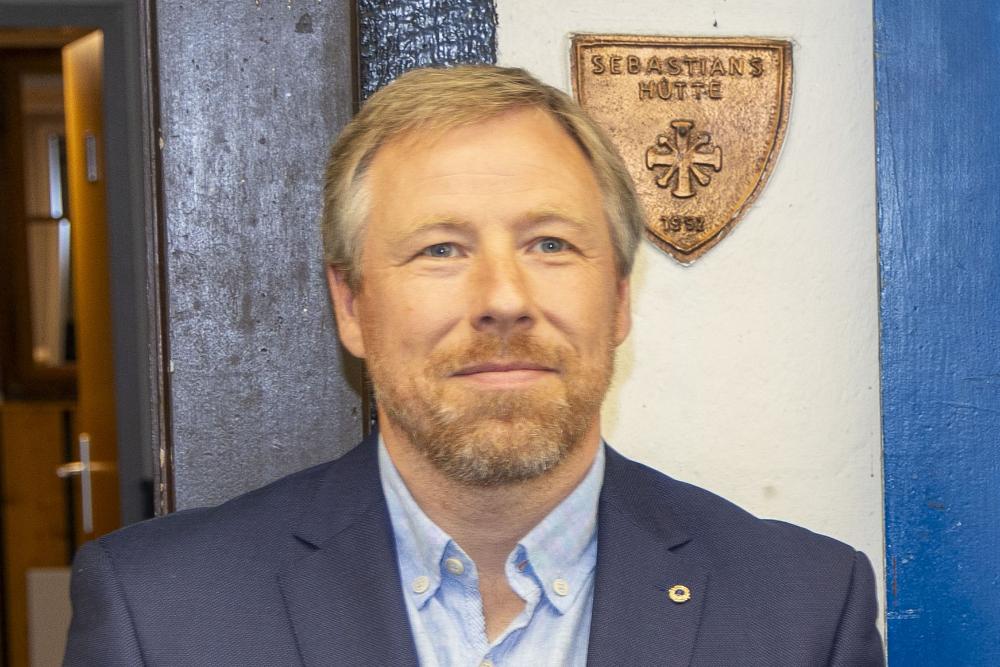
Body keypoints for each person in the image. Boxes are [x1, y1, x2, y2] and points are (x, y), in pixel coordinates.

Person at [64, 65, 884, 666]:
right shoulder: (162, 613)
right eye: (441, 248)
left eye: (550, 243)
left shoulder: (804, 609)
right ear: (350, 304)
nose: (503, 298)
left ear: (619, 299)